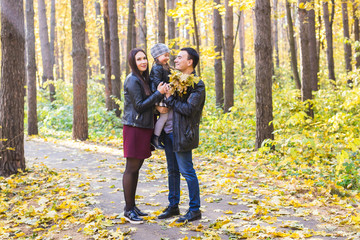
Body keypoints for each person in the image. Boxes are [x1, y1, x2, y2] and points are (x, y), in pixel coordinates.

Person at [158, 48, 206, 223]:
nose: (175, 60)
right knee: (172, 171)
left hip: (183, 134)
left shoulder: (197, 85)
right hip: (169, 132)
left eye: (180, 57)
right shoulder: (176, 80)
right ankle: (173, 206)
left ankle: (194, 209)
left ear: (190, 62)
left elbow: (189, 109)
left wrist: (170, 98)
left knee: (187, 171)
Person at [122, 48, 166, 224]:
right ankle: (127, 210)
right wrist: (158, 94)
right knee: (131, 168)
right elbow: (139, 106)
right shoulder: (132, 80)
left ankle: (132, 206)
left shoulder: (143, 79)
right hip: (134, 127)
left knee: (136, 168)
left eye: (144, 58)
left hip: (144, 127)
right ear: (133, 62)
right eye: (139, 59)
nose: (143, 62)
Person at [149, 43, 171, 149]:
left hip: (163, 93)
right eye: (164, 55)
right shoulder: (157, 67)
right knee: (164, 116)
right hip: (160, 94)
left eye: (168, 55)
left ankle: (159, 137)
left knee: (165, 117)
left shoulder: (163, 66)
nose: (167, 57)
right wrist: (166, 86)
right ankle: (156, 138)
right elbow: (157, 81)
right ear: (157, 57)